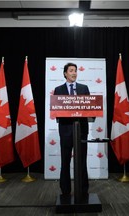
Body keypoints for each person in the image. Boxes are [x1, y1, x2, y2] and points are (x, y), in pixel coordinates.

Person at [54, 62, 90, 198]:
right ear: (65, 74)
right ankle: (65, 190)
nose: (74, 73)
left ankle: (83, 190)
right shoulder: (58, 90)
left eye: (75, 71)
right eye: (71, 70)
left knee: (82, 161)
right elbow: (56, 111)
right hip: (66, 131)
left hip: (81, 131)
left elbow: (90, 108)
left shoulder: (84, 88)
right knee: (65, 161)